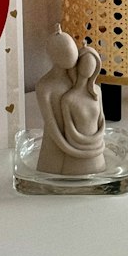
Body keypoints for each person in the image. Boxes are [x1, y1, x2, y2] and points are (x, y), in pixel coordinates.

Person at [35, 27, 79, 174]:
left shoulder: (76, 79)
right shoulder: (45, 86)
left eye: (72, 49)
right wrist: (68, 147)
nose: (72, 54)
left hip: (77, 139)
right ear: (53, 55)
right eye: (66, 51)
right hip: (56, 144)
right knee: (51, 171)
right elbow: (51, 123)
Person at [59, 46, 106, 176]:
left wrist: (97, 140)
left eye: (93, 64)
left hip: (97, 154)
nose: (89, 67)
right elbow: (69, 129)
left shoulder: (97, 92)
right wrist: (84, 146)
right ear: (78, 65)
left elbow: (101, 120)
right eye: (86, 62)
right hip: (76, 155)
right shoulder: (68, 99)